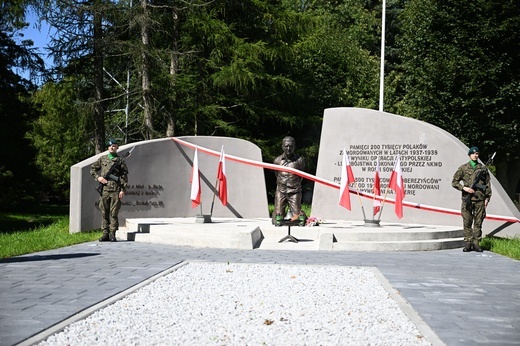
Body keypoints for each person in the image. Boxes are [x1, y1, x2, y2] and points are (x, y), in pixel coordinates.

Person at [452, 146, 492, 252]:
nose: (475, 155)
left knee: (478, 222)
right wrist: (464, 188)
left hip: (479, 199)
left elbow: (487, 184)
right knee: (467, 221)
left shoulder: (483, 169)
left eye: (477, 154)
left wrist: (487, 198)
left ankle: (476, 243)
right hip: (467, 199)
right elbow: (454, 182)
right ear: (469, 155)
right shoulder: (463, 168)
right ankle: (468, 243)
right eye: (473, 154)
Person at [90, 139, 129, 242]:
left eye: (114, 146)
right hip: (105, 190)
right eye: (111, 146)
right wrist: (98, 178)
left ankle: (112, 233)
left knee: (114, 212)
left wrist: (122, 190)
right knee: (104, 212)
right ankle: (105, 233)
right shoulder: (103, 159)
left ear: (117, 148)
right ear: (108, 148)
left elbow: (124, 176)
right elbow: (93, 169)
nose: (112, 147)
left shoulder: (120, 161)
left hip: (116, 189)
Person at [273, 136, 305, 225]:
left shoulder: (300, 160)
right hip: (281, 191)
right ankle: (276, 213)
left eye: (291, 146)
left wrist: (294, 185)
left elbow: (301, 176)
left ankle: (301, 214)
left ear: (294, 147)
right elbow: (277, 174)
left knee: (297, 220)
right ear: (282, 147)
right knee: (277, 220)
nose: (288, 148)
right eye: (286, 146)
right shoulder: (277, 161)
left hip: (294, 191)